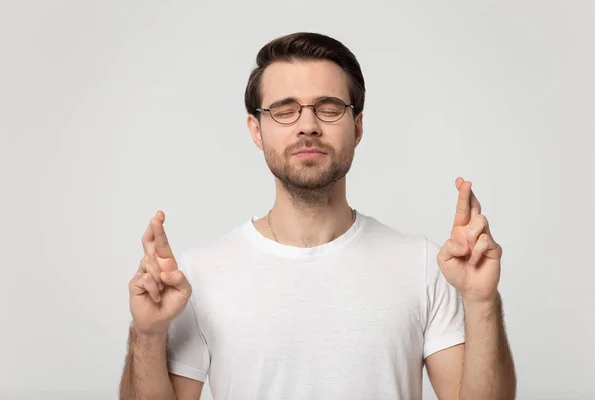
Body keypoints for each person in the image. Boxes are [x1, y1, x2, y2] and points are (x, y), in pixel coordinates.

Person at [119, 32, 516, 400]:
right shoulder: (200, 273)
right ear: (256, 131)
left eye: (328, 109)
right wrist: (147, 334)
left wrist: (481, 301)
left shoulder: (422, 265)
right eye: (284, 110)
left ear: (357, 127)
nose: (308, 126)